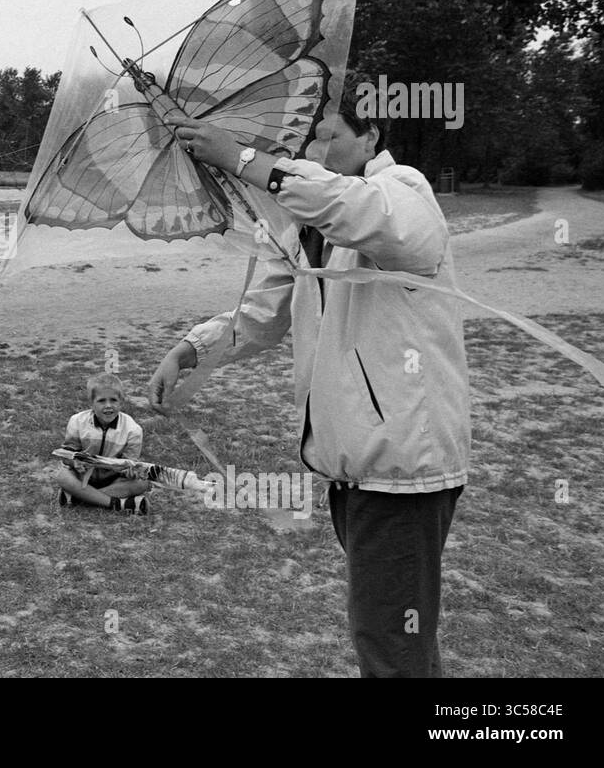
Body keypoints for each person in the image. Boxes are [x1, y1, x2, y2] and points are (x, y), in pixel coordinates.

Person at [149, 104, 469, 678]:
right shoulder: (301, 225)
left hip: (399, 465)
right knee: (394, 632)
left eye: (332, 136)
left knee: (389, 641)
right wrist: (192, 348)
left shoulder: (399, 191)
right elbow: (264, 315)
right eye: (310, 140)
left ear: (371, 136)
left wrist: (244, 158)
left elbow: (384, 226)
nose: (318, 150)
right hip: (354, 467)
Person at [54, 373, 152, 514]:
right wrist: (74, 462)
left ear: (121, 401)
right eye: (101, 401)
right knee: (62, 475)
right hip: (84, 478)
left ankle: (77, 499)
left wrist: (129, 472)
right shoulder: (77, 421)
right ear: (91, 402)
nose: (108, 406)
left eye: (113, 400)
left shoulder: (133, 429)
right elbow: (67, 455)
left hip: (113, 480)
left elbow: (130, 462)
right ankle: (119, 503)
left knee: (142, 483)